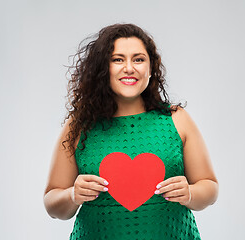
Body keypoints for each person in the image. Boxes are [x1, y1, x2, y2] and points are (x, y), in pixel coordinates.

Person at [43, 23, 219, 240]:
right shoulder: (79, 125)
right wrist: (72, 195)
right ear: (102, 68)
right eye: (117, 59)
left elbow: (209, 187)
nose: (129, 68)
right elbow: (52, 203)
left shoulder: (176, 119)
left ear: (151, 67)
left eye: (138, 59)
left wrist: (191, 193)